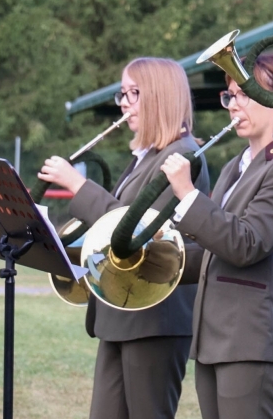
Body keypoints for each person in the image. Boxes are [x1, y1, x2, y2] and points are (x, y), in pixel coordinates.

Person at [38, 57, 210, 419]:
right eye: (122, 94)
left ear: (160, 97)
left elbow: (136, 231)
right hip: (121, 313)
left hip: (154, 319)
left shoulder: (181, 155)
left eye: (134, 93)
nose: (124, 103)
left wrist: (78, 185)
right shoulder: (147, 156)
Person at [159, 54, 273, 419]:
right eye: (230, 96)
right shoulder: (235, 166)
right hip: (214, 338)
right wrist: (157, 259)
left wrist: (188, 194)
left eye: (245, 94)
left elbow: (246, 243)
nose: (233, 105)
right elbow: (215, 250)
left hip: (252, 340)